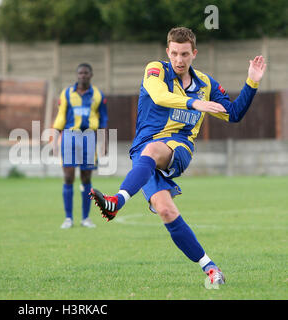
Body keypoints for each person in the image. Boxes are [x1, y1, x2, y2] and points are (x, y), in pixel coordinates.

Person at [90, 27, 266, 285]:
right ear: (167, 52)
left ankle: (116, 202)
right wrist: (194, 103)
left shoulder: (205, 84)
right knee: (166, 211)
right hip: (144, 155)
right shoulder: (155, 70)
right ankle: (211, 268)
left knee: (152, 151)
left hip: (179, 148)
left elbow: (234, 113)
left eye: (185, 54)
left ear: (194, 53)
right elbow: (160, 97)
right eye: (174, 53)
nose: (179, 60)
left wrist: (252, 82)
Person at [53, 63, 108, 229]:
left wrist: (104, 142)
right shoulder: (67, 93)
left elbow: (103, 120)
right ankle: (68, 218)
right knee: (68, 177)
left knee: (86, 178)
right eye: (80, 73)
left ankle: (85, 218)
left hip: (89, 138)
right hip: (69, 137)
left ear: (91, 75)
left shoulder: (98, 95)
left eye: (85, 73)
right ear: (77, 75)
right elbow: (61, 117)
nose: (82, 76)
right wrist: (55, 139)